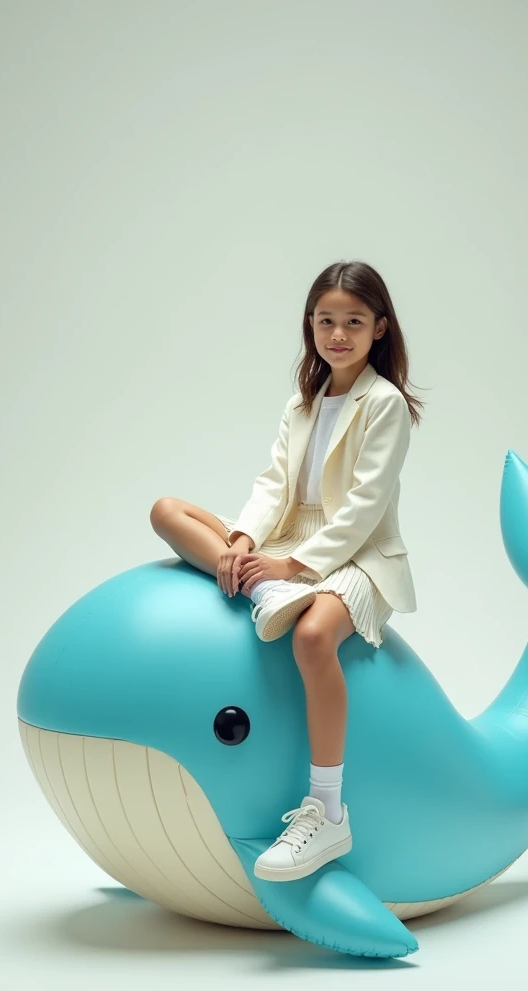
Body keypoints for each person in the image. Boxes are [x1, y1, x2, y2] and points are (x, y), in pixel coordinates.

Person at [150, 259, 424, 882]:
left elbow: (364, 507)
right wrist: (245, 540)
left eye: (354, 322)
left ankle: (327, 813)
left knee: (311, 636)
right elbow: (274, 485)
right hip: (285, 539)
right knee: (168, 512)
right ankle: (265, 586)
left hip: (354, 554)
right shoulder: (303, 401)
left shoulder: (385, 405)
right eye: (326, 321)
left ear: (379, 327)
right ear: (310, 325)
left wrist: (296, 564)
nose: (339, 335)